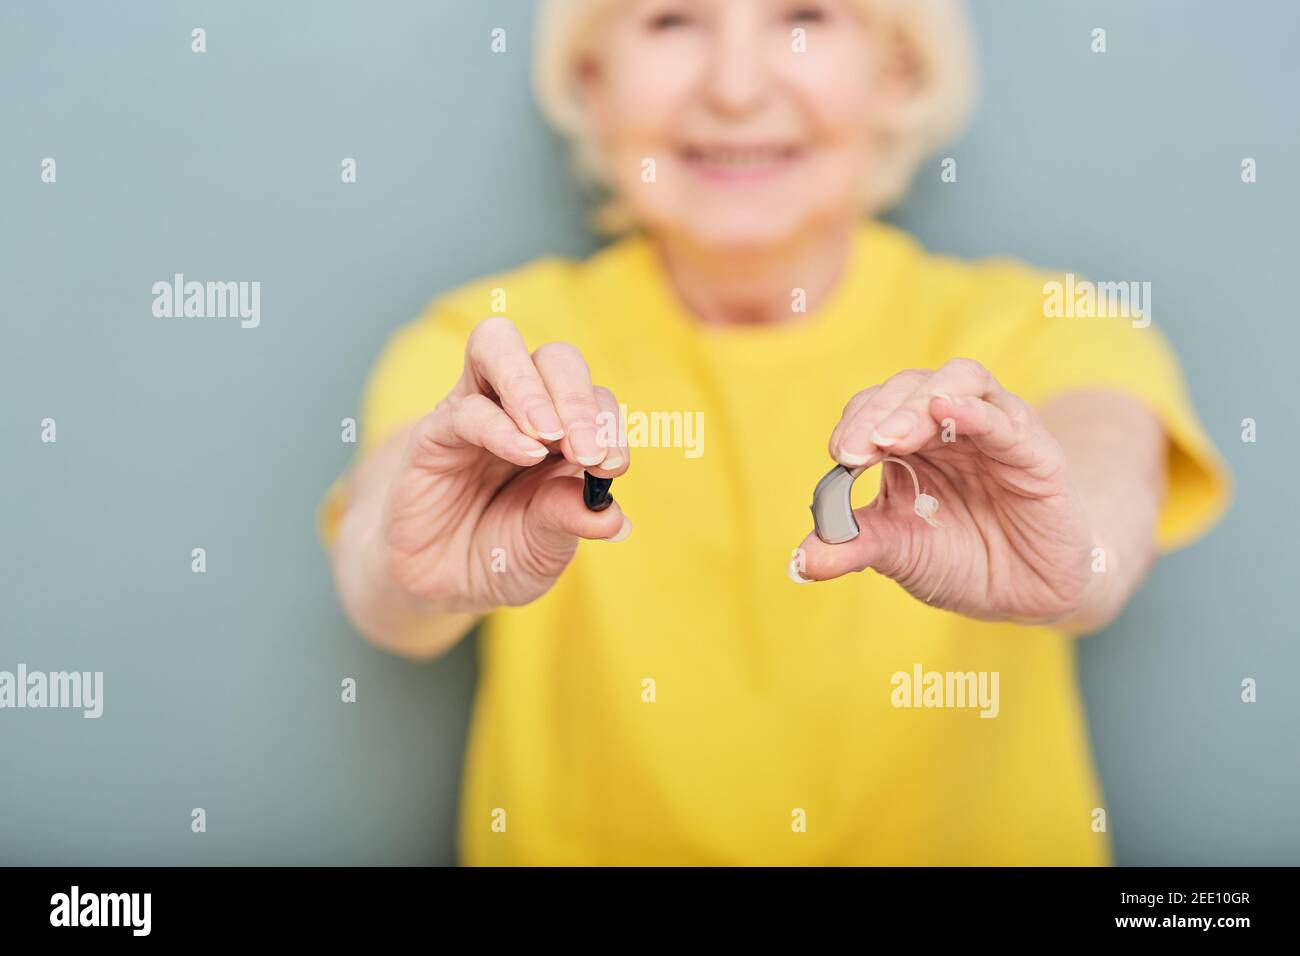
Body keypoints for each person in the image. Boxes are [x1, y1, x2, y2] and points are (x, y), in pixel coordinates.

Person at [319, 0, 1229, 865]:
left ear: (897, 71)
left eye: (804, 15)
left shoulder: (1047, 327)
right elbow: (383, 564)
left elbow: (1106, 496)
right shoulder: (485, 343)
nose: (736, 88)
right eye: (673, 18)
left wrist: (1079, 556)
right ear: (594, 80)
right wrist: (406, 577)